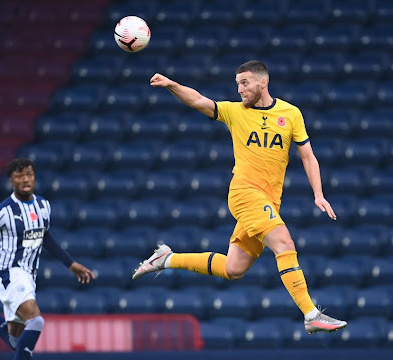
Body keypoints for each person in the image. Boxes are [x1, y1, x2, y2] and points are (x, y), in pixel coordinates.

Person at [133, 60, 347, 334]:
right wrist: (172, 85)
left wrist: (318, 193)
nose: (240, 90)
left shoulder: (290, 113)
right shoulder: (235, 112)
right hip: (245, 194)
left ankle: (167, 259)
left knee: (233, 268)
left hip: (269, 201)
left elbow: (308, 155)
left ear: (262, 83)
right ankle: (310, 314)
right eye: (237, 85)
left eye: (244, 83)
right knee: (284, 242)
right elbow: (199, 100)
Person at [0, 158, 94, 359]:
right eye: (19, 176)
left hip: (29, 275)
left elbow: (45, 236)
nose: (25, 179)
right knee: (36, 321)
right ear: (10, 181)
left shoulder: (43, 205)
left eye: (29, 175)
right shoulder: (3, 211)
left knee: (15, 340)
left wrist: (71, 263)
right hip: (8, 272)